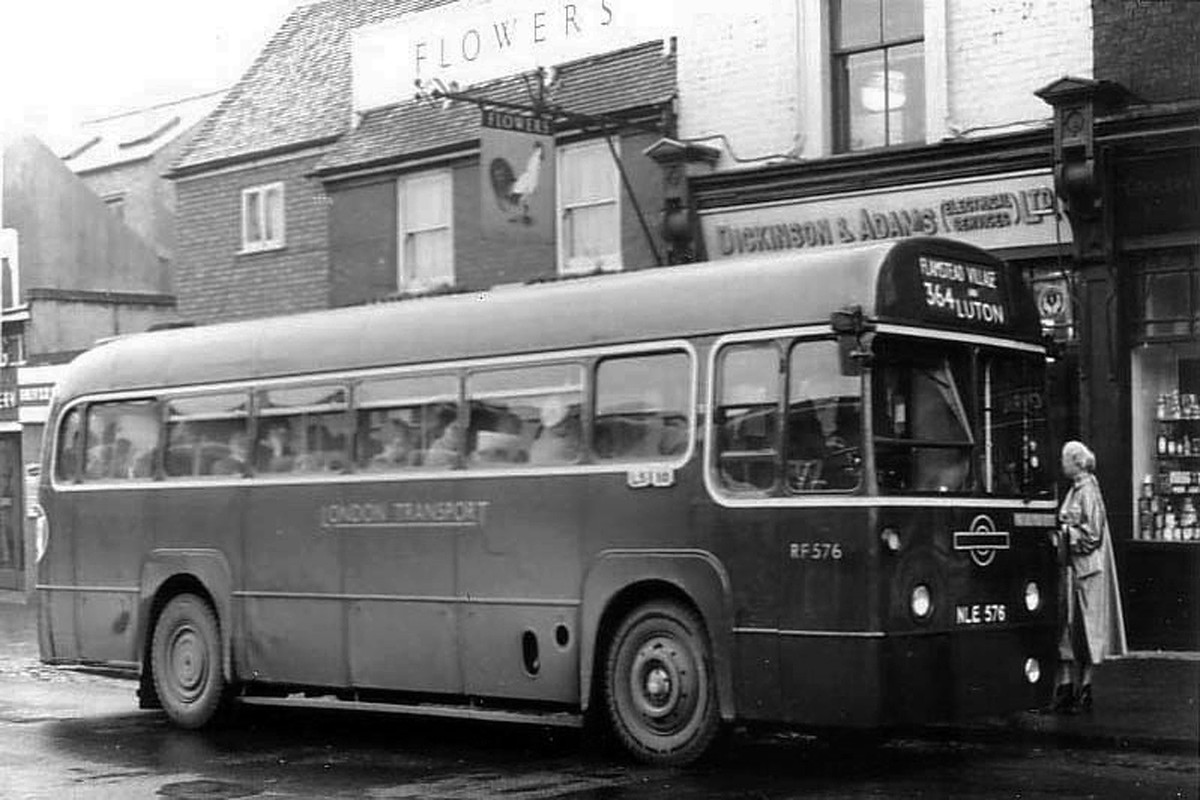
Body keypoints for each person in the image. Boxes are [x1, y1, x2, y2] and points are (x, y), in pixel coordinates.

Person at [1049, 440, 1128, 713]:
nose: (1062, 464)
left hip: (1086, 571)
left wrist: (1065, 534)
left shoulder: (1088, 492)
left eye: (1065, 459)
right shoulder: (1077, 490)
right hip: (1075, 569)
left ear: (1077, 462)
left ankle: (1083, 688)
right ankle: (1070, 688)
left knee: (1086, 630)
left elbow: (1091, 535)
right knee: (1070, 629)